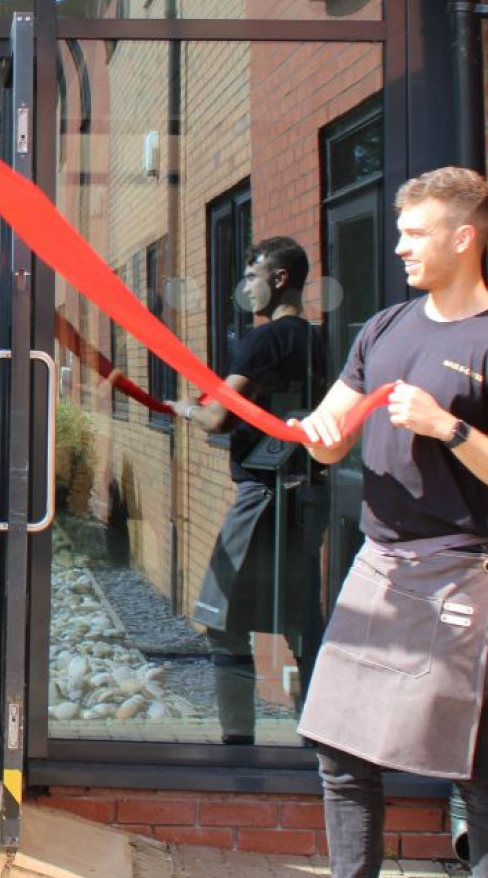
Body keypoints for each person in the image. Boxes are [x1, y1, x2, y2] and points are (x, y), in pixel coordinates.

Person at [292, 167, 488, 878]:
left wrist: (450, 429)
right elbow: (333, 437)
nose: (400, 248)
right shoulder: (386, 327)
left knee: (473, 757)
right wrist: (319, 435)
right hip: (378, 563)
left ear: (464, 237)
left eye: (415, 234)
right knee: (341, 751)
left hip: (457, 573)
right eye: (400, 233)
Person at [170, 236, 325, 744]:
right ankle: (317, 741)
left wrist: (184, 410)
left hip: (263, 495)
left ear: (280, 279)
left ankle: (237, 740)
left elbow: (218, 416)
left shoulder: (264, 341)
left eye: (252, 277)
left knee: (222, 618)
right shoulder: (320, 342)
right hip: (309, 496)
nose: (245, 288)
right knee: (301, 622)